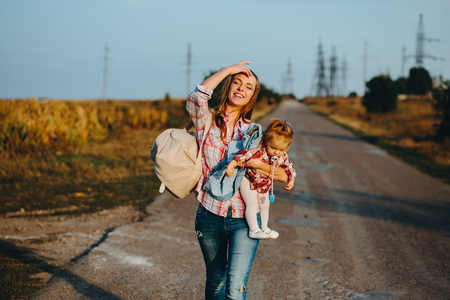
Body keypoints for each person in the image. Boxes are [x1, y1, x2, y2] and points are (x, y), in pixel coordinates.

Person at [186, 61, 288, 300]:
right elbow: (196, 98)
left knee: (235, 288)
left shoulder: (256, 133)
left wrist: (249, 162)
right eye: (237, 83)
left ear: (252, 96)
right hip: (209, 215)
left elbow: (282, 173)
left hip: (245, 219)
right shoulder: (207, 122)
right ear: (228, 86)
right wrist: (227, 70)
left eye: (249, 87)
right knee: (216, 281)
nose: (241, 88)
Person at [225, 119, 296, 240]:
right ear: (265, 142)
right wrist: (231, 166)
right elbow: (243, 156)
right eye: (273, 147)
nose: (277, 152)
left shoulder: (282, 157)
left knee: (265, 204)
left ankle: (264, 227)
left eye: (281, 149)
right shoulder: (259, 151)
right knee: (252, 203)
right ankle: (254, 229)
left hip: (264, 184)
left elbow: (290, 168)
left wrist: (291, 180)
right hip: (248, 180)